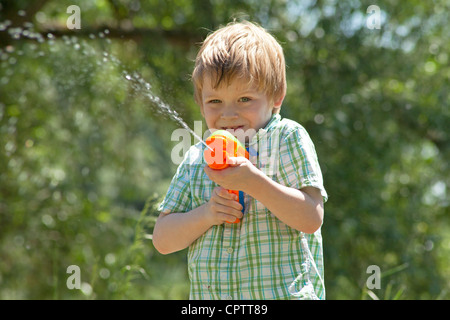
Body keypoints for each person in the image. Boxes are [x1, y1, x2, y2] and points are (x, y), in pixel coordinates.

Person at [152, 21, 328, 300]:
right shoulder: (197, 157)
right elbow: (162, 239)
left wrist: (254, 182)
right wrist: (207, 214)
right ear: (200, 103)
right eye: (215, 102)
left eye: (244, 99)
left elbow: (311, 218)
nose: (229, 114)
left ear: (276, 96)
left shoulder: (286, 138)